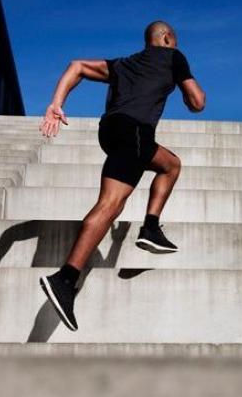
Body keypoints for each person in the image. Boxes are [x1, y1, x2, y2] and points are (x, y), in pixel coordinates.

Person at [37, 21, 206, 331]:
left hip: (111, 131)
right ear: (166, 38)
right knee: (111, 204)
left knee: (170, 165)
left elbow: (78, 66)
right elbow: (198, 102)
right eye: (173, 40)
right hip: (135, 131)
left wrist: (56, 104)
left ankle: (151, 228)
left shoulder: (124, 65)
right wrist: (185, 90)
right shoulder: (173, 56)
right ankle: (65, 279)